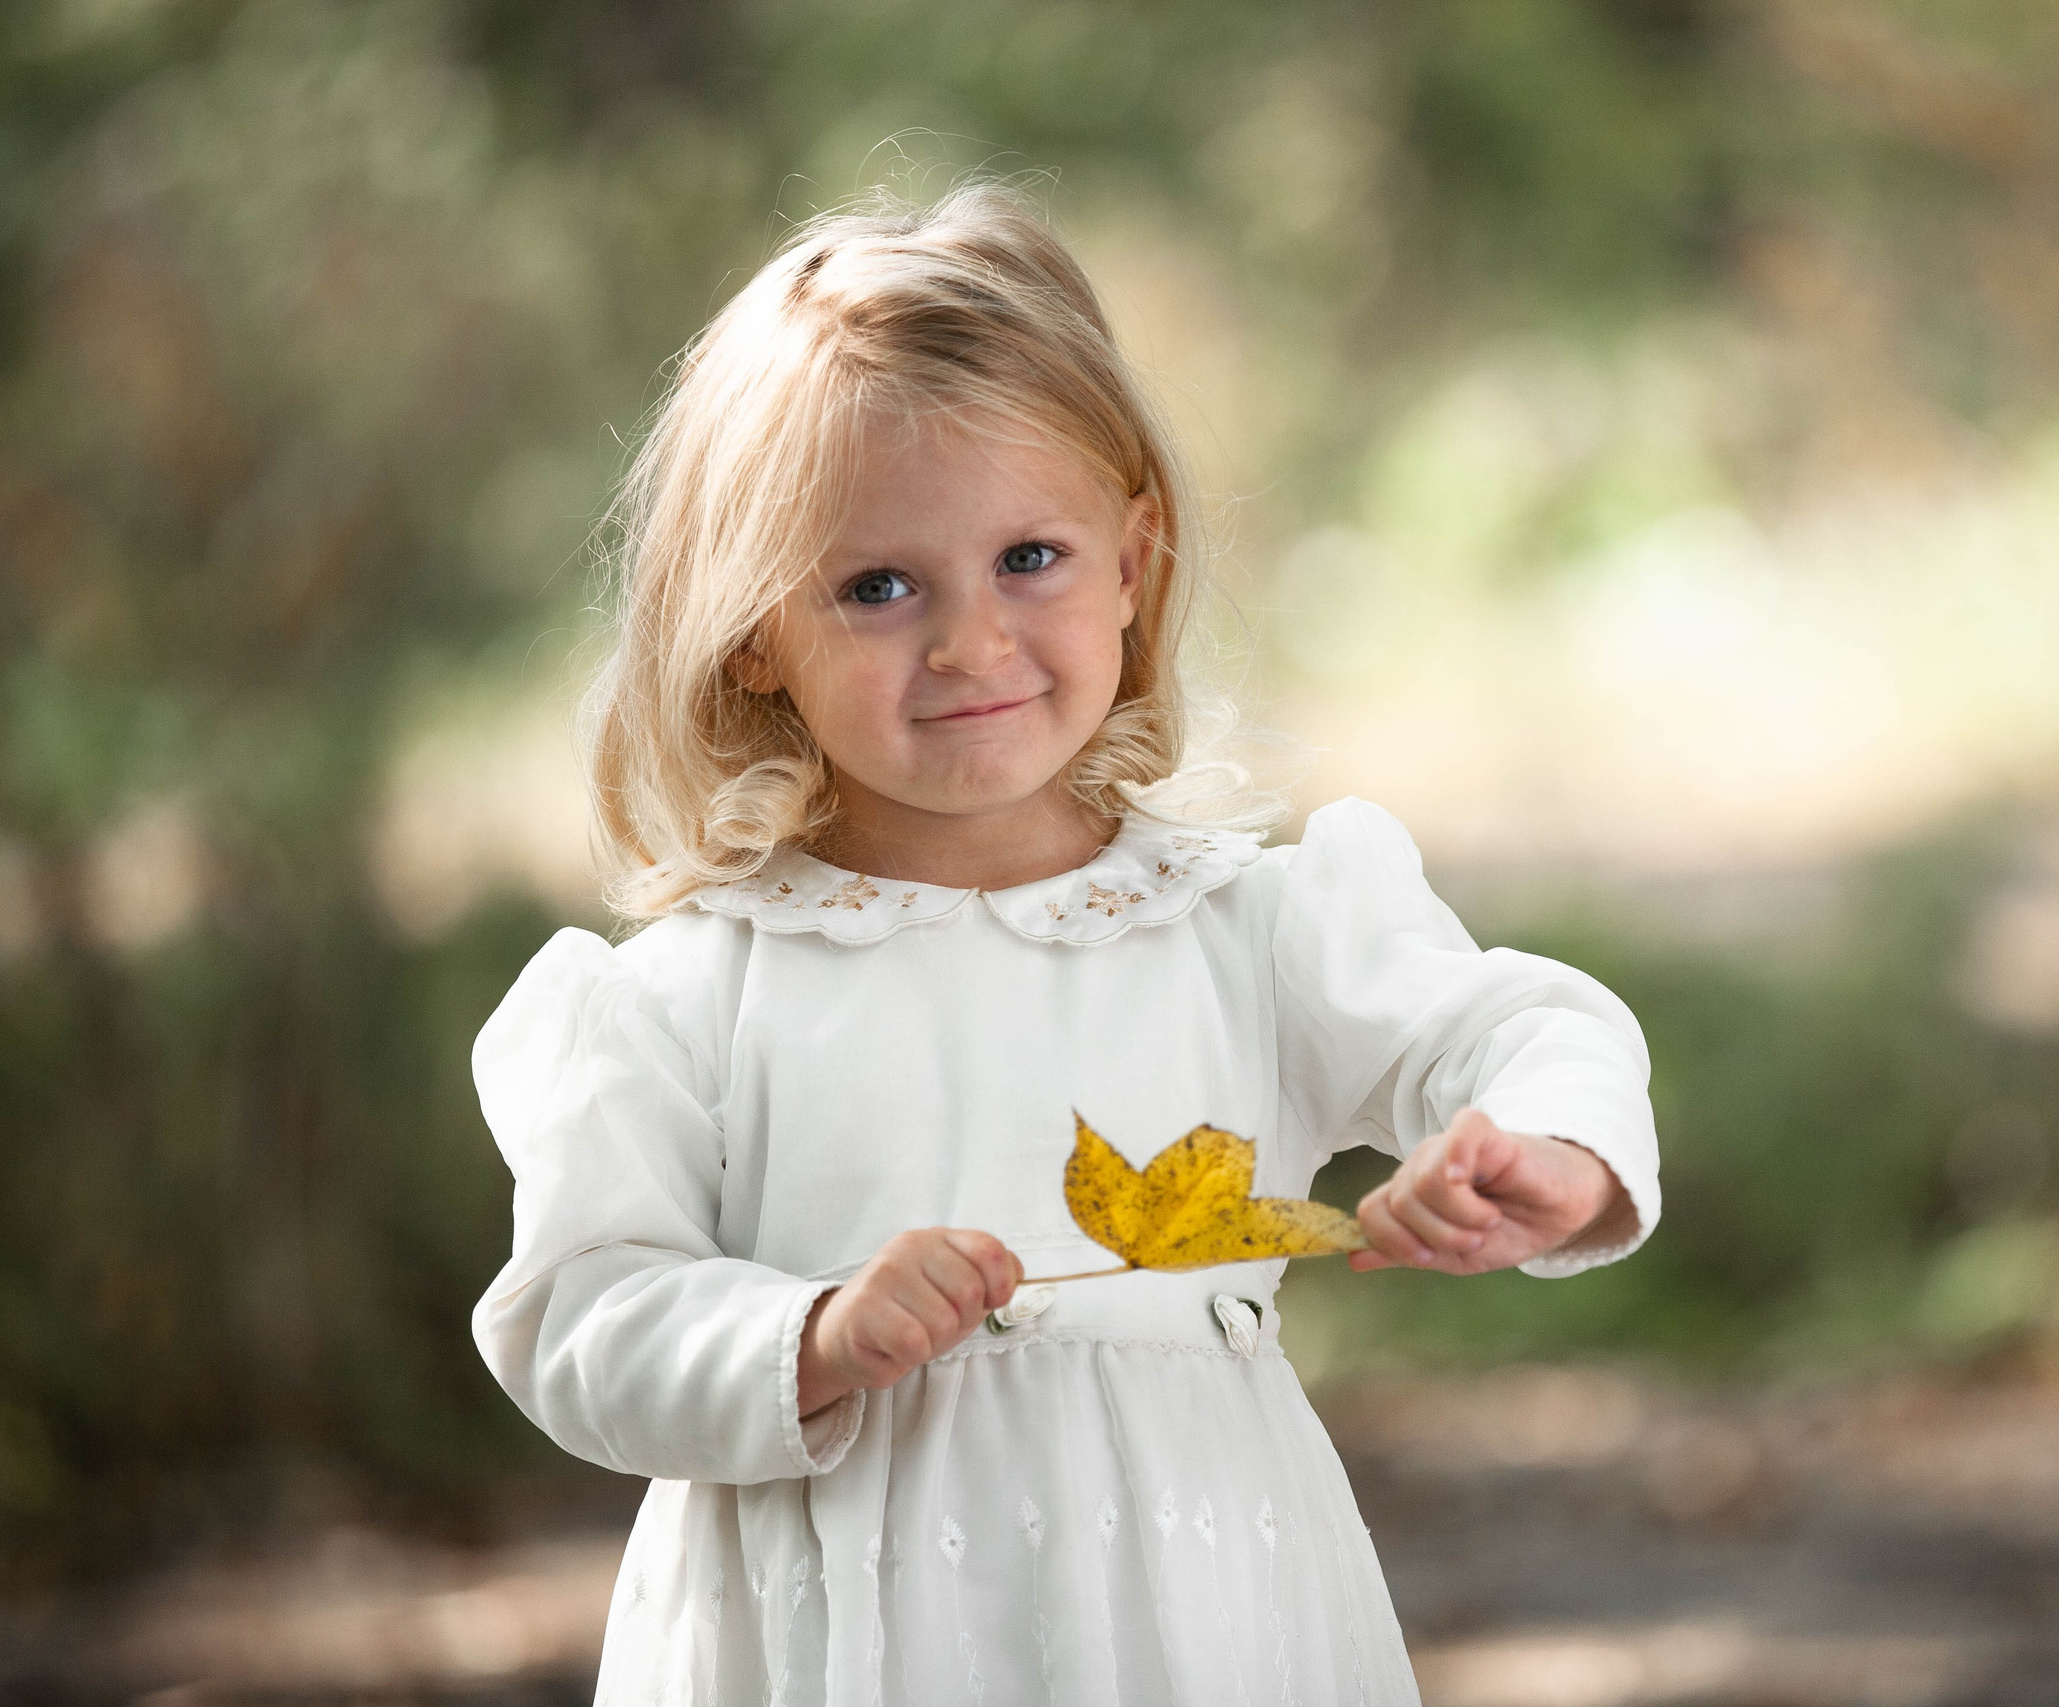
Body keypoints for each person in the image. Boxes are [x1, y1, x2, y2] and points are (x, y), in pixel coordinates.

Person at [470, 177, 1661, 1705]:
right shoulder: (691, 997)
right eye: (879, 586)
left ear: (1133, 560)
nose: (970, 641)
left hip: (1197, 1619)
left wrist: (1546, 1150)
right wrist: (808, 1335)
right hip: (838, 1641)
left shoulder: (1247, 931)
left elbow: (1514, 1029)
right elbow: (583, 1311)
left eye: (1029, 558)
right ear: (756, 635)